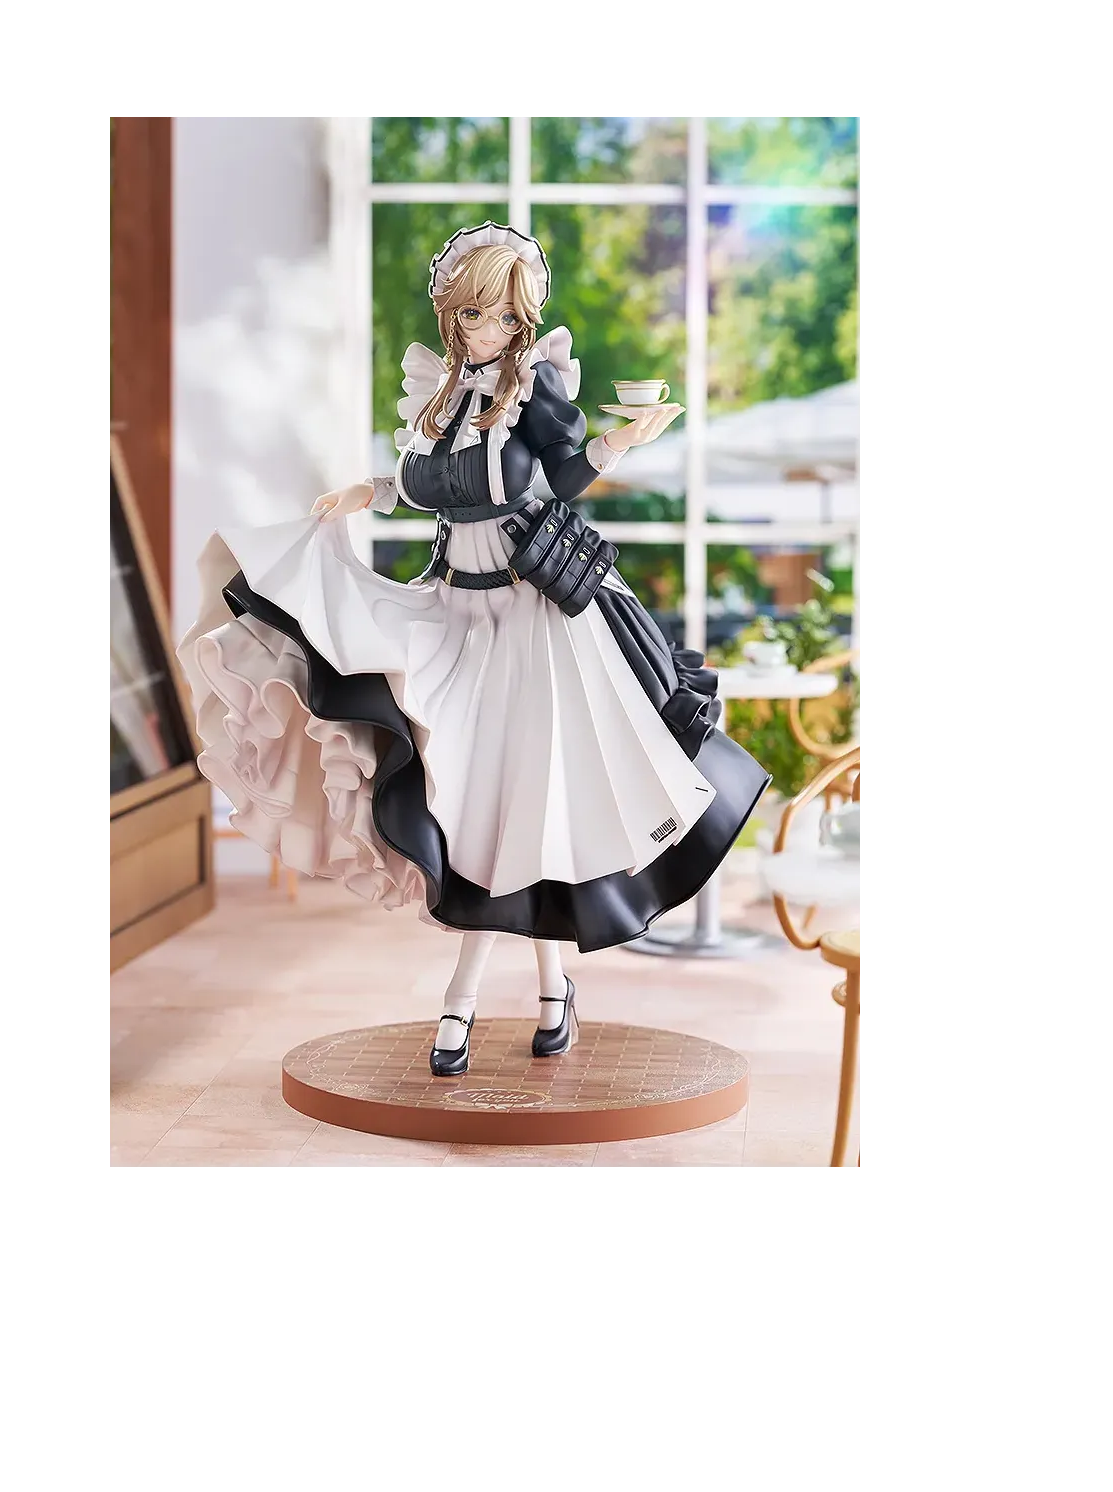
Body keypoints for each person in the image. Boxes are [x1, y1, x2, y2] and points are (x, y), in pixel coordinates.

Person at [176, 222, 769, 1076]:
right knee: (483, 802)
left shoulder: (534, 390)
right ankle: (553, 992)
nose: (483, 330)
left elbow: (563, 478)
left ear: (522, 319)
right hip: (455, 610)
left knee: (523, 807)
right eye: (469, 314)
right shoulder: (443, 394)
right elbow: (431, 489)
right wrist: (368, 491)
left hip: (535, 621)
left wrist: (617, 445)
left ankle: (463, 1004)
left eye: (498, 316)